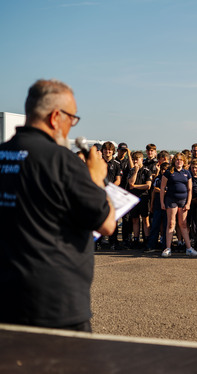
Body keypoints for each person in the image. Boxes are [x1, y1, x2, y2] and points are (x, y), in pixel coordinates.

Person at [0, 79, 115, 331]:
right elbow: (106, 223)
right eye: (72, 118)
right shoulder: (61, 161)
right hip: (54, 304)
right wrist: (97, 179)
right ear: (55, 117)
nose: (71, 126)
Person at [160, 153, 197, 257]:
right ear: (174, 161)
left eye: (181, 160)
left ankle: (189, 248)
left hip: (183, 201)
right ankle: (168, 248)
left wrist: (188, 203)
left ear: (184, 161)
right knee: (171, 223)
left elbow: (190, 189)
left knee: (183, 224)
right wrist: (162, 202)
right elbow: (162, 188)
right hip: (171, 200)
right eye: (177, 160)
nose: (179, 162)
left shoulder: (187, 173)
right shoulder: (168, 172)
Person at [128, 151, 152, 248]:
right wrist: (136, 171)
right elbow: (130, 183)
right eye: (133, 160)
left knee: (145, 219)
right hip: (133, 198)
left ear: (142, 159)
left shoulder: (147, 171)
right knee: (135, 219)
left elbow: (148, 186)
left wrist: (135, 186)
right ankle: (136, 239)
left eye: (136, 160)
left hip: (144, 197)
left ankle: (146, 240)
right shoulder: (132, 171)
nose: (135, 162)